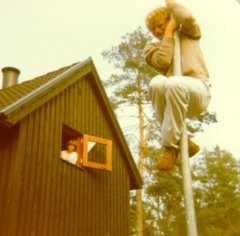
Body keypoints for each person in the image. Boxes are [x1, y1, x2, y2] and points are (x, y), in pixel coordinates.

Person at [144, 0, 211, 171]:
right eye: (154, 30)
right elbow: (164, 60)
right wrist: (168, 32)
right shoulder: (152, 48)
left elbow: (187, 16)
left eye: (160, 25)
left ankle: (170, 147)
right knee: (157, 83)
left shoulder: (188, 32)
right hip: (174, 94)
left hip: (198, 91)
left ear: (170, 19)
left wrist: (173, 7)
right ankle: (181, 142)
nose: (157, 31)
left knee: (173, 83)